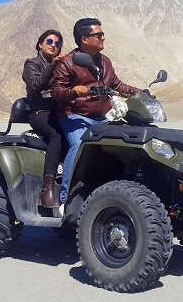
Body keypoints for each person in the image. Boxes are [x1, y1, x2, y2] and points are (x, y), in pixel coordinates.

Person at [50, 18, 139, 205]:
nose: (103, 38)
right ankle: (65, 199)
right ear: (84, 39)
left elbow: (116, 85)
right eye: (98, 35)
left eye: (102, 34)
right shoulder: (68, 63)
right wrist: (74, 91)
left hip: (103, 117)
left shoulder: (105, 62)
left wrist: (139, 93)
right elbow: (56, 91)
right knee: (79, 144)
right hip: (74, 116)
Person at [22, 29, 65, 208]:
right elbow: (35, 85)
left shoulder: (61, 66)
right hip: (39, 113)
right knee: (57, 135)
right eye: (50, 41)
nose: (54, 45)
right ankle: (47, 189)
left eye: (58, 43)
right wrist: (52, 66)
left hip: (58, 112)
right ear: (40, 44)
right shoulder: (31, 64)